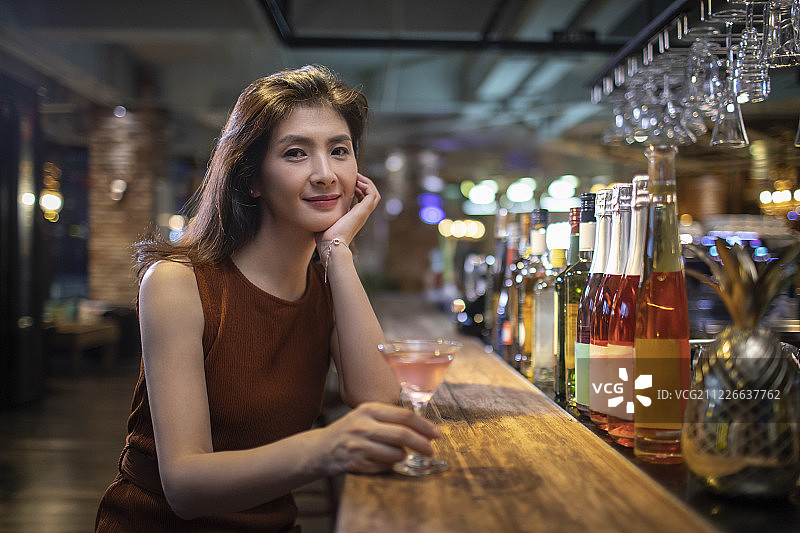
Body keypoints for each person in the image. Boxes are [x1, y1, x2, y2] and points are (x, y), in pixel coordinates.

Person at [95, 65, 441, 532]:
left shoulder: (326, 283)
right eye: (296, 153)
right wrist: (326, 448)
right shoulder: (177, 282)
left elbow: (377, 396)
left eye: (339, 151)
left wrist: (338, 252)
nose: (325, 174)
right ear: (252, 178)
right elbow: (184, 487)